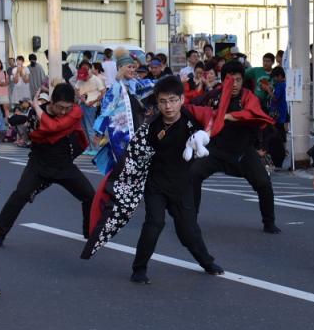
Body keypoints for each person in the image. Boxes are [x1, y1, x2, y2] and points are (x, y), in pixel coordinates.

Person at [83, 76, 224, 283]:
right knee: (154, 224)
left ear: (182, 100)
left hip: (182, 185)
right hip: (156, 185)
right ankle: (139, 269)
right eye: (163, 101)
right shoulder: (150, 128)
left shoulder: (192, 119)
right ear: (157, 102)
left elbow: (213, 122)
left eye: (173, 100)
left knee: (188, 230)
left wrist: (206, 133)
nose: (168, 106)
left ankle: (207, 262)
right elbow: (132, 158)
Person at [0, 83, 94, 248]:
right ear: (52, 101)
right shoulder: (34, 114)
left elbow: (54, 127)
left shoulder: (73, 113)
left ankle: (89, 232)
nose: (64, 112)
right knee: (19, 195)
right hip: (39, 163)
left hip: (64, 165)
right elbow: (33, 135)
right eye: (60, 107)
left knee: (89, 195)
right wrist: (34, 113)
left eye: (68, 107)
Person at [189, 60, 278, 233]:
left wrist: (228, 116)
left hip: (242, 152)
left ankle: (269, 222)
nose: (235, 84)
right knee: (193, 174)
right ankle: (190, 220)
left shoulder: (248, 97)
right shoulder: (214, 96)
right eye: (231, 80)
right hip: (215, 150)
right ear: (224, 81)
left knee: (263, 183)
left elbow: (252, 114)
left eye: (239, 80)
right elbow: (194, 107)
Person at [92, 48, 156, 174]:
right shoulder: (115, 88)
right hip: (120, 132)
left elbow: (149, 85)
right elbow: (106, 111)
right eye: (129, 67)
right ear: (120, 68)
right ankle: (116, 189)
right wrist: (98, 132)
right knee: (123, 164)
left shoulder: (133, 85)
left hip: (136, 127)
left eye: (133, 67)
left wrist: (168, 81)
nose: (133, 70)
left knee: (137, 163)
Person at [72, 59, 106, 152]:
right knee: (82, 128)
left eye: (86, 68)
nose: (84, 78)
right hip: (82, 104)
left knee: (90, 127)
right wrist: (80, 97)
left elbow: (103, 92)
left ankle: (94, 148)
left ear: (90, 69)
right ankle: (87, 147)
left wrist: (94, 101)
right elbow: (76, 89)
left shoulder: (96, 79)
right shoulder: (81, 77)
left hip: (91, 106)